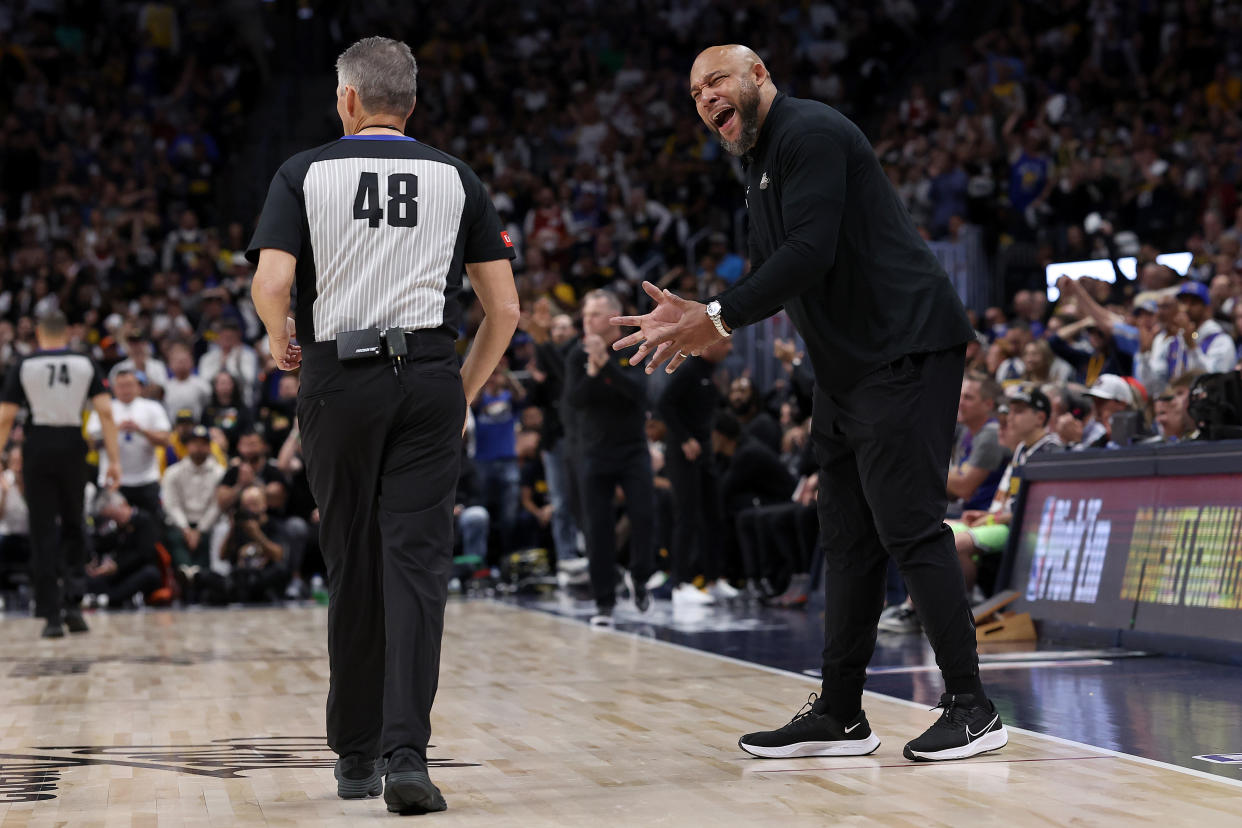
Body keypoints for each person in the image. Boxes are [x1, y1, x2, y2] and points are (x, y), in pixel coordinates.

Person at [614, 45, 1003, 762]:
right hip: (848, 368)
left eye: (717, 82)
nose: (705, 99)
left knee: (909, 527)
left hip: (905, 347)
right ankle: (841, 713)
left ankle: (973, 707)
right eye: (695, 92)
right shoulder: (756, 163)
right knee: (847, 539)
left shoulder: (810, 132)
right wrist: (705, 312)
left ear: (759, 75)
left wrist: (717, 315)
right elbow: (780, 270)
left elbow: (810, 252)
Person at [247, 36, 518, 814]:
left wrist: (277, 339)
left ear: (348, 101)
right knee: (417, 572)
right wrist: (462, 389)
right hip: (430, 376)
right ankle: (408, 759)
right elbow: (505, 310)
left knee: (352, 564)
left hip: (338, 378)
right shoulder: (457, 175)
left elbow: (272, 283)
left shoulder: (303, 171)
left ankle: (354, 759)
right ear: (410, 104)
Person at [0, 310, 122, 638]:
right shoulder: (85, 362)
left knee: (41, 530)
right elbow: (107, 413)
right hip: (72, 444)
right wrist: (113, 460)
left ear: (38, 334)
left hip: (38, 444)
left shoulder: (24, 364)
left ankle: (50, 614)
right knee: (73, 524)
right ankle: (73, 605)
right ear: (67, 334)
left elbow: (5, 417)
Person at [562, 290, 656, 627]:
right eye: (586, 314)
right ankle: (604, 601)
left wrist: (608, 369)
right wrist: (592, 368)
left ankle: (641, 578)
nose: (589, 321)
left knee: (644, 515)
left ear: (615, 317)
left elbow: (641, 396)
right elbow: (574, 400)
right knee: (596, 528)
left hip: (632, 449)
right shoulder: (577, 353)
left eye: (596, 314)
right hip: (592, 452)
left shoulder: (635, 345)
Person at [950, 385, 1061, 595]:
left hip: (1024, 529)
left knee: (956, 543)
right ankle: (920, 609)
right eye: (1010, 411)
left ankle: (964, 608)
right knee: (938, 533)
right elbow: (1012, 499)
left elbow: (1039, 509)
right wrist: (987, 515)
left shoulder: (1050, 450)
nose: (1010, 418)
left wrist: (994, 519)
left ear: (1039, 418)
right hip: (1007, 522)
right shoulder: (1021, 449)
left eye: (1019, 412)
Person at [86, 369, 171, 518]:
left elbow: (165, 440)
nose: (126, 390)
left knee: (151, 525)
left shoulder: (152, 408)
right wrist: (114, 430)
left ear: (139, 386)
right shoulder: (104, 410)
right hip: (112, 481)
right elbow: (92, 443)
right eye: (121, 386)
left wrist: (141, 430)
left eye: (130, 385)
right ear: (113, 388)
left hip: (146, 479)